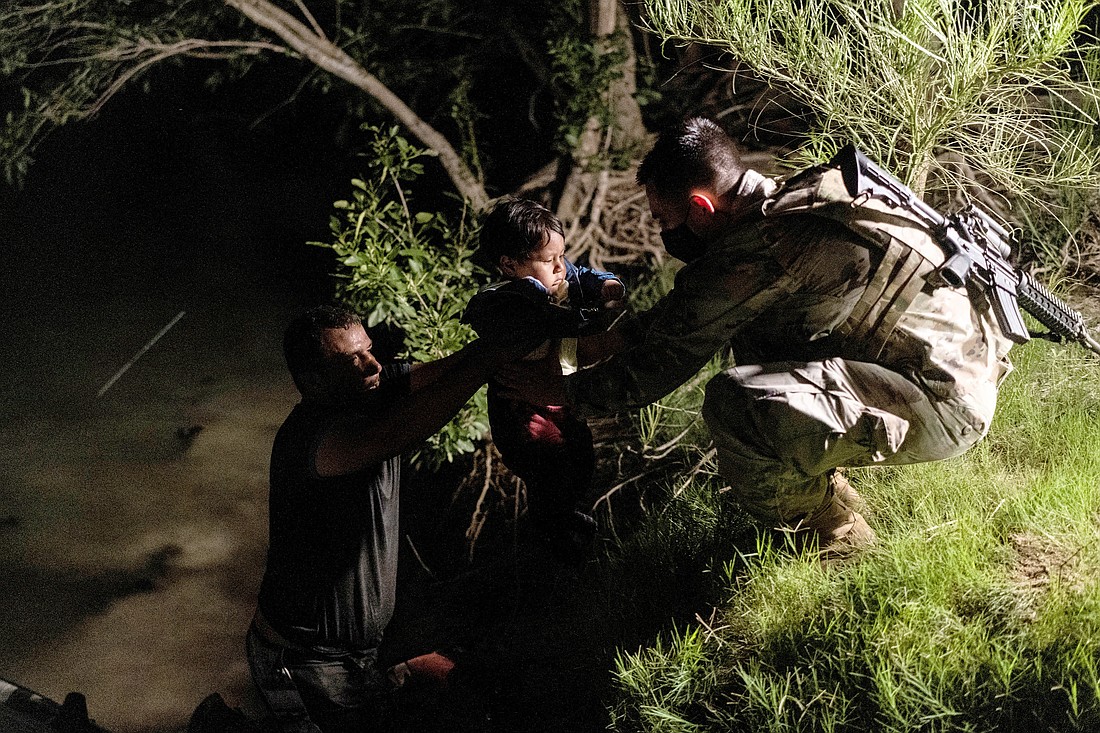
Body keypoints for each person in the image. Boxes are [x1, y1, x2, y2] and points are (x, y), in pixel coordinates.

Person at [498, 117, 1014, 558]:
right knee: (759, 343)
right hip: (960, 366)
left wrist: (559, 395)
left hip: (945, 403)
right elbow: (688, 316)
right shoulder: (800, 196)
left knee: (735, 402)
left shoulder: (763, 248)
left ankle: (835, 540)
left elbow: (657, 368)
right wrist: (602, 343)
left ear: (701, 208)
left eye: (665, 219)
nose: (663, 232)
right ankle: (828, 490)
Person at [229, 304, 528, 733]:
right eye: (352, 359)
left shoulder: (367, 388)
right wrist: (488, 360)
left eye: (368, 350)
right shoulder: (314, 438)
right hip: (306, 661)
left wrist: (502, 344)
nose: (373, 364)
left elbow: (440, 371)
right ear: (312, 381)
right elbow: (401, 430)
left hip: (361, 648)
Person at [462, 197, 626, 562]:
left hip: (559, 397)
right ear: (509, 264)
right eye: (547, 260)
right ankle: (559, 545)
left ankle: (573, 534)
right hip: (524, 414)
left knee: (580, 459)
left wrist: (607, 284)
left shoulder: (557, 278)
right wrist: (592, 319)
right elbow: (547, 321)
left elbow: (581, 276)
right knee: (551, 474)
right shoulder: (504, 302)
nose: (559, 268)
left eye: (561, 256)